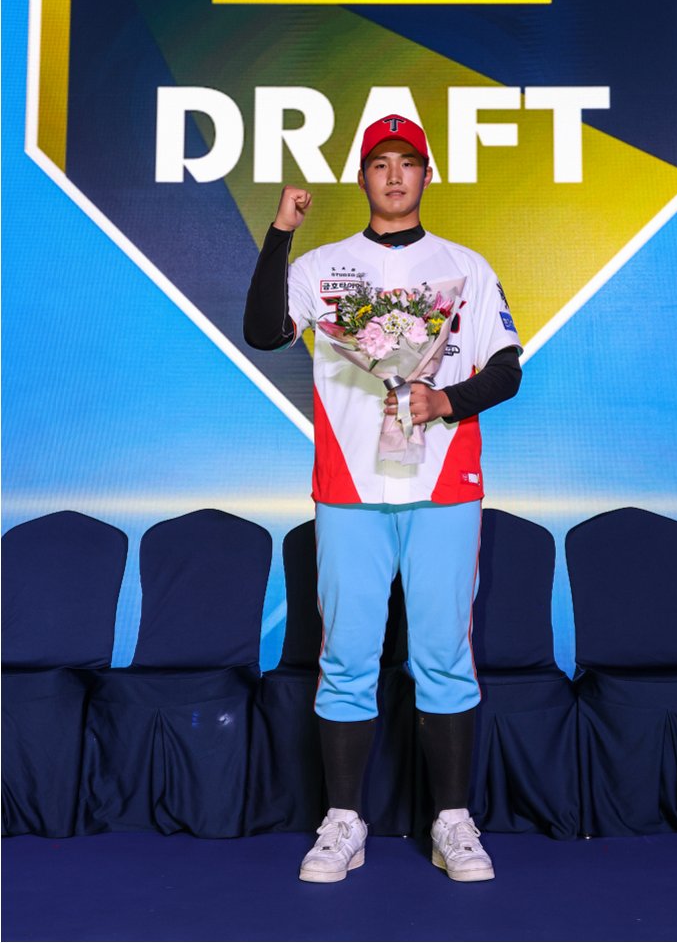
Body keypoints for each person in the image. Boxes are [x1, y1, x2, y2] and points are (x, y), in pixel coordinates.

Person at [244, 114, 522, 883]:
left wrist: (447, 400)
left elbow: (507, 370)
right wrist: (280, 233)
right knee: (345, 659)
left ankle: (452, 822)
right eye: (379, 163)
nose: (394, 175)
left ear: (427, 174)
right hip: (349, 489)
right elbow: (263, 332)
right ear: (362, 177)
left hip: (442, 488)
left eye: (407, 162)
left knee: (443, 659)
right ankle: (344, 822)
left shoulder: (466, 266)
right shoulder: (323, 266)